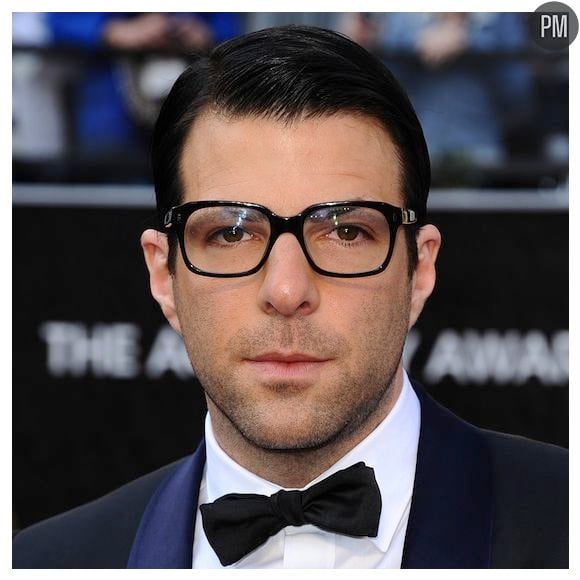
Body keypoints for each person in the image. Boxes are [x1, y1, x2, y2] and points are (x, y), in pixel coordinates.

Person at [12, 25, 567, 569]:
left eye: (346, 232)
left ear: (419, 268)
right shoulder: (45, 561)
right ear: (163, 275)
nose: (286, 290)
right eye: (231, 233)